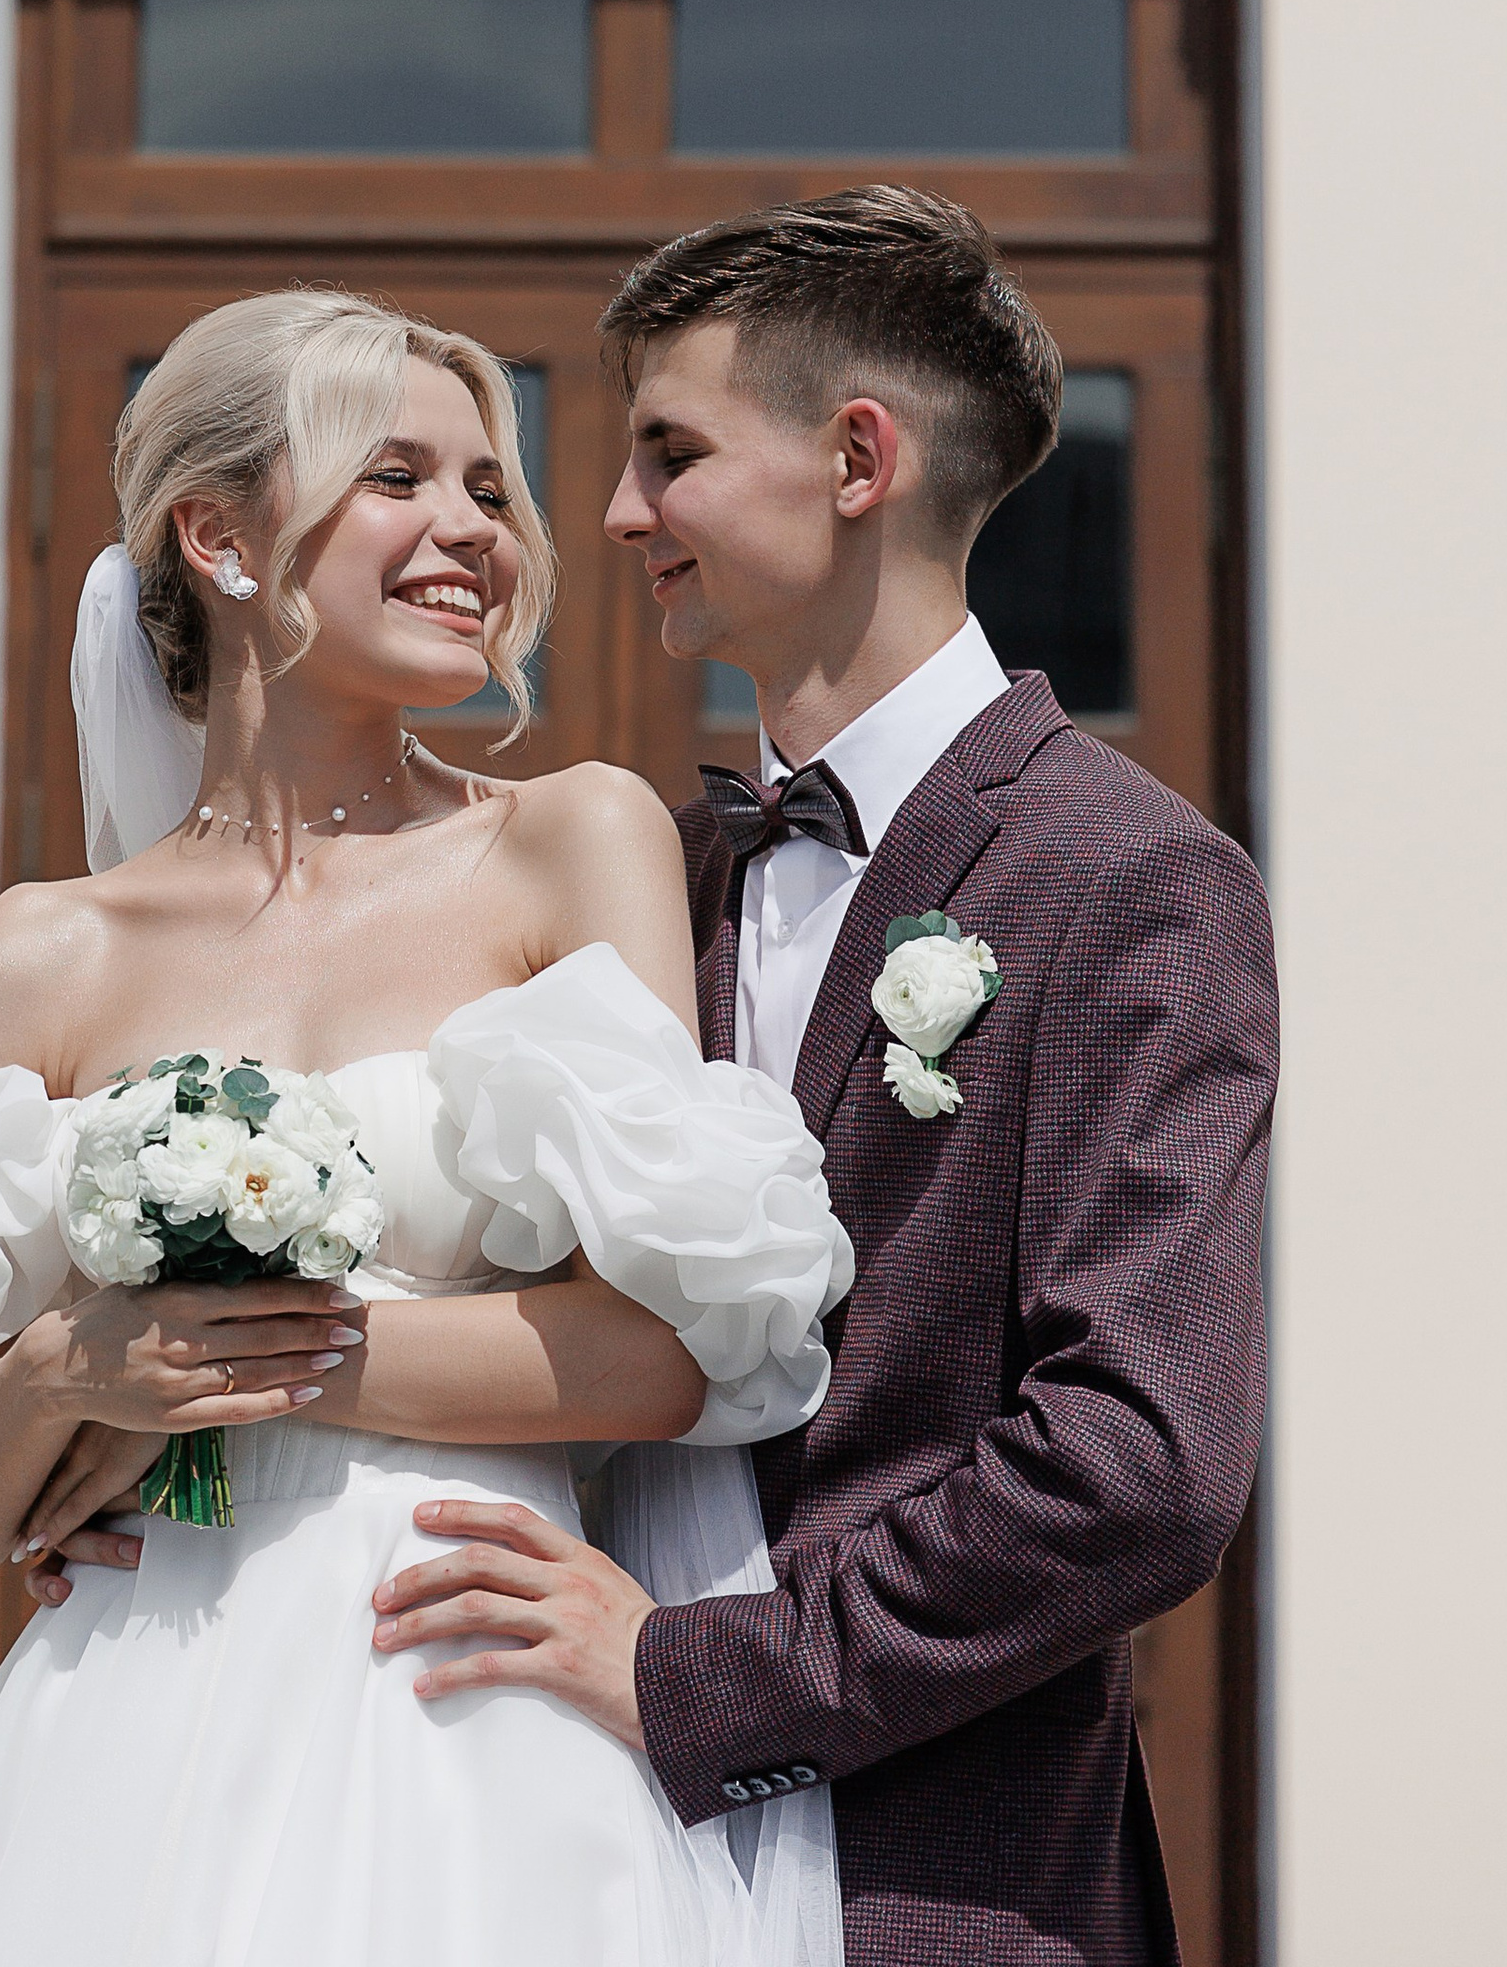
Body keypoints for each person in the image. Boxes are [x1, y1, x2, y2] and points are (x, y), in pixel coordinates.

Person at [0, 286, 856, 1967]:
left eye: (491, 489)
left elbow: (663, 1360)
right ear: (221, 537)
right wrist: (64, 1372)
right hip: (118, 1721)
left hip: (465, 1686)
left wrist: (251, 1363)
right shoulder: (41, 951)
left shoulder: (572, 841)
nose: (471, 531)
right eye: (398, 477)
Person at [364, 187, 1278, 1967]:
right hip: (549, 1838)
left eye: (669, 451)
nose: (617, 512)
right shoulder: (648, 883)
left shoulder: (1129, 878)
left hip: (928, 1877)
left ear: (857, 457)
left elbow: (1138, 1463)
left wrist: (698, 1674)